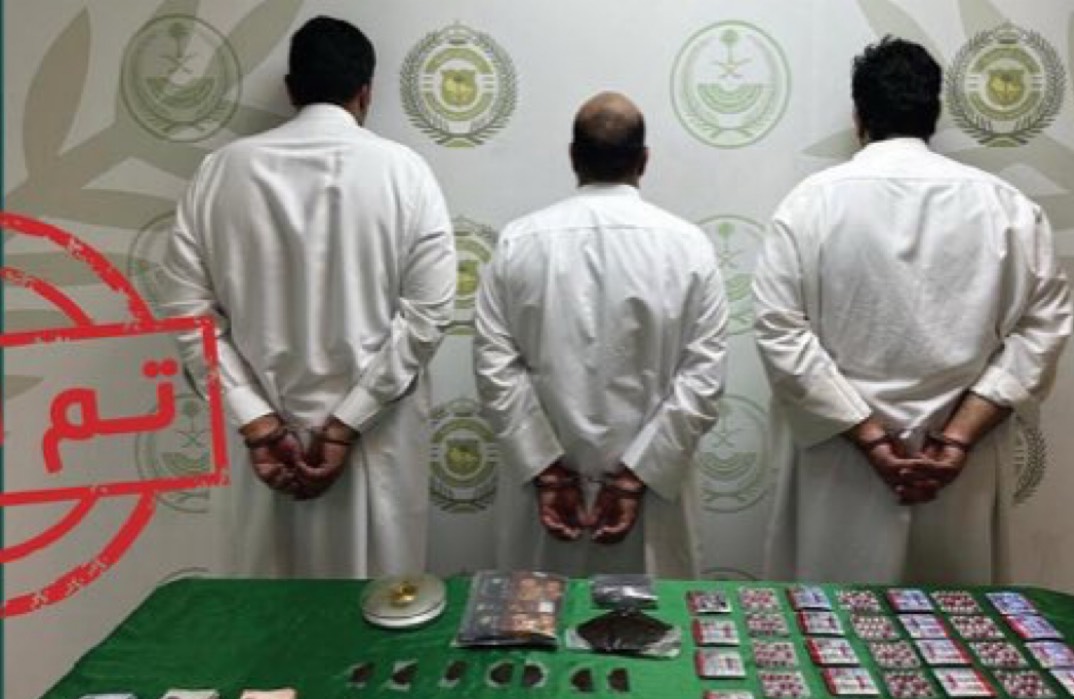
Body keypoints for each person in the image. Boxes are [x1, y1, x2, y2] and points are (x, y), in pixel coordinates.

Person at [753, 37, 1072, 584]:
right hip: (957, 470)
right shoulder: (1007, 207)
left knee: (834, 626)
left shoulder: (809, 205)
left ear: (859, 117)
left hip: (840, 463)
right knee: (957, 630)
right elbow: (1044, 331)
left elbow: (779, 332)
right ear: (934, 114)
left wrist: (873, 439)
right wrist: (955, 440)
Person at [156, 16, 456, 578]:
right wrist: (345, 424)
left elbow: (185, 313)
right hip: (375, 447)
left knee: (264, 615)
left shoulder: (219, 172)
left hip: (265, 457)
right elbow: (428, 319)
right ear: (366, 92)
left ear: (292, 91)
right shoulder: (406, 174)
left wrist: (259, 423)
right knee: (374, 614)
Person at [473, 92, 728, 578]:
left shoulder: (517, 244)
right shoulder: (689, 248)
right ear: (644, 160)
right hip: (653, 495)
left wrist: (548, 472)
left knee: (536, 617)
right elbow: (703, 379)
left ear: (573, 157)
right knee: (653, 621)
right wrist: (635, 477)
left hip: (543, 496)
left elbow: (494, 369)